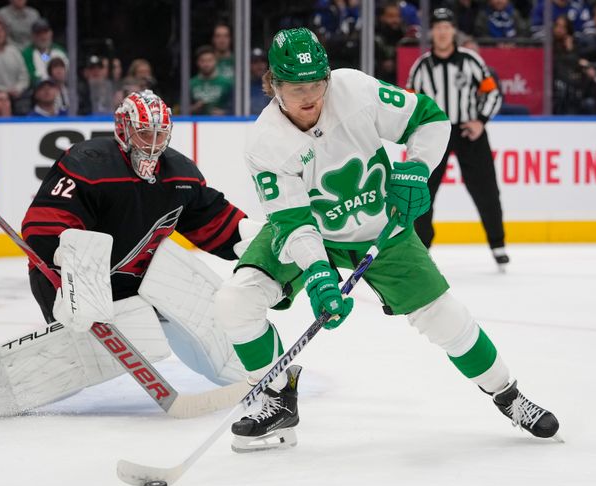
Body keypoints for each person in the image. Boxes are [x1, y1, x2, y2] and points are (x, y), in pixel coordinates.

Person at [213, 27, 559, 452]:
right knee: (236, 300)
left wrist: (416, 168)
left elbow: (430, 117)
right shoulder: (264, 142)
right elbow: (293, 221)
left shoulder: (354, 90)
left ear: (328, 78)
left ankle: (508, 395)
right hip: (308, 229)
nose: (309, 97)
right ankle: (276, 396)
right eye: (295, 87)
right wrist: (320, 273)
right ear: (273, 84)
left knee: (445, 317)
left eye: (317, 84)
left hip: (383, 229)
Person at [0, 90, 252, 416]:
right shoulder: (88, 164)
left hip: (134, 282)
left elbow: (216, 223)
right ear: (124, 129)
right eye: (144, 132)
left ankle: (253, 368)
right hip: (66, 281)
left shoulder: (180, 176)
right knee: (105, 341)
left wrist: (254, 243)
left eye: (160, 134)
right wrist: (72, 271)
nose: (152, 144)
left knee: (186, 286)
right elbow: (44, 225)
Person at [407, 9, 509, 268]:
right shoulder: (421, 67)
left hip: (468, 133)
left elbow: (493, 93)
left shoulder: (471, 61)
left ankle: (498, 244)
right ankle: (423, 247)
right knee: (424, 192)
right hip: (435, 134)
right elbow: (409, 104)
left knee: (486, 189)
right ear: (432, 32)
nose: (442, 32)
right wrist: (415, 132)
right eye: (438, 27)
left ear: (453, 31)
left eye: (447, 27)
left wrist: (480, 121)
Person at [21, 18, 68, 85]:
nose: (43, 36)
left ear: (51, 33)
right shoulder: (27, 54)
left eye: (45, 32)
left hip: (62, 87)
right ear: (33, 36)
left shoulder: (60, 51)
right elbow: (31, 76)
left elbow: (69, 71)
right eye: (39, 33)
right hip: (39, 89)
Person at [190, 45, 232, 115]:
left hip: (221, 124)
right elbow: (179, 110)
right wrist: (194, 108)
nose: (206, 64)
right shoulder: (191, 84)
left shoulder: (227, 83)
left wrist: (224, 113)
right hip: (196, 122)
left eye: (209, 60)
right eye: (203, 61)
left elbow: (234, 109)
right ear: (198, 62)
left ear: (215, 61)